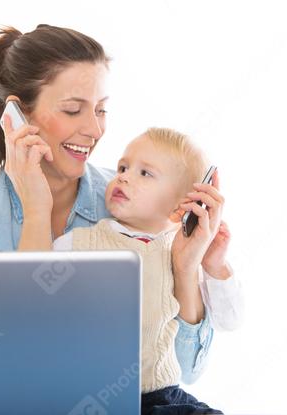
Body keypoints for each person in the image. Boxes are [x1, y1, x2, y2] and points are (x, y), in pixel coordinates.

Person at [0, 23, 227, 405]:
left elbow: (185, 371)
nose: (94, 129)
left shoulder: (132, 201)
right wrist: (37, 211)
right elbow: (6, 359)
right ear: (16, 114)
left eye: (102, 110)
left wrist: (186, 269)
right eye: (73, 110)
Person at [51, 127, 244, 413]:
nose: (123, 176)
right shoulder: (77, 244)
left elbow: (231, 320)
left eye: (145, 173)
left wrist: (214, 264)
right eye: (123, 167)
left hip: (162, 396)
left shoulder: (185, 250)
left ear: (183, 205)